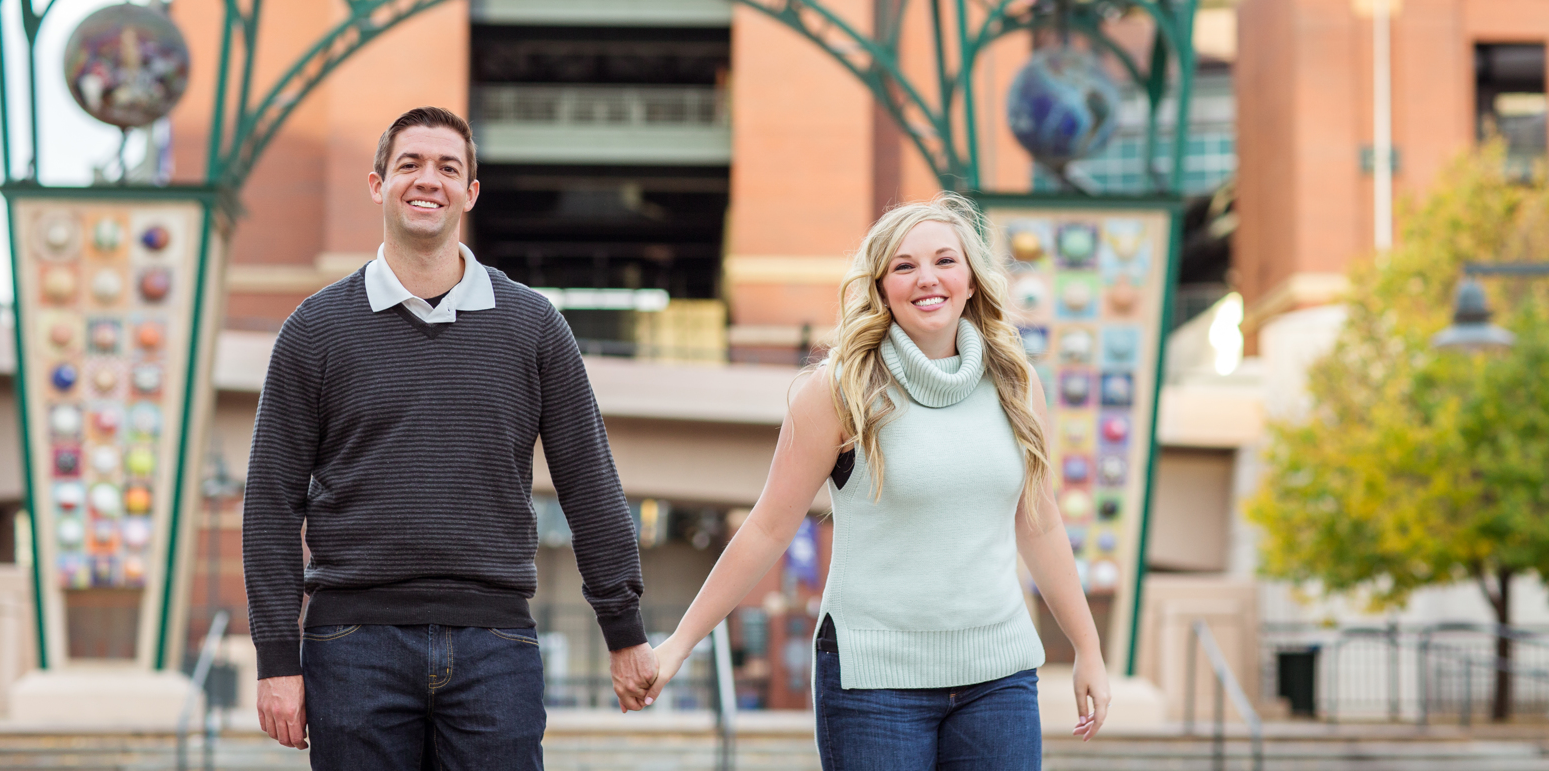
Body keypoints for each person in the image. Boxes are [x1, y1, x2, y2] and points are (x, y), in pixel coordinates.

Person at [242, 106, 657, 769]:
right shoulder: (314, 330)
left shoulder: (534, 325)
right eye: (409, 163)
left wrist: (624, 630)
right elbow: (270, 505)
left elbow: (590, 485)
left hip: (495, 644)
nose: (427, 179)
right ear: (378, 184)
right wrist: (274, 657)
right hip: (352, 644)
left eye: (447, 167)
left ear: (470, 192)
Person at [643, 193, 1109, 769]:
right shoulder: (839, 391)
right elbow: (766, 528)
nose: (926, 279)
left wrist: (1088, 648)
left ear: (971, 281)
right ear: (882, 287)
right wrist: (678, 645)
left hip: (999, 679)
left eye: (945, 260)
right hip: (874, 686)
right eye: (904, 266)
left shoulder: (1017, 384)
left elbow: (1039, 525)